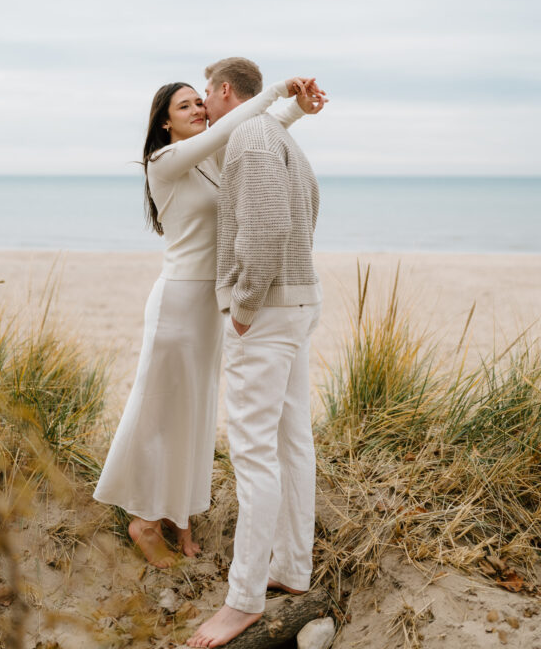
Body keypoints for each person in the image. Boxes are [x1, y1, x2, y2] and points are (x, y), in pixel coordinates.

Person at [93, 64, 326, 569]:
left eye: (199, 102)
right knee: (160, 412)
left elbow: (254, 133)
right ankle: (144, 520)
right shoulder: (166, 160)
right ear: (164, 124)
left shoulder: (211, 157)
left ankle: (180, 513)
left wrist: (297, 110)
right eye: (186, 106)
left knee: (196, 414)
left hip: (211, 305)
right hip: (178, 303)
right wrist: (276, 89)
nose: (199, 109)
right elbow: (230, 126)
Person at [188, 57, 324, 648]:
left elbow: (265, 228)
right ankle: (292, 569)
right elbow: (309, 208)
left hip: (266, 313)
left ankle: (242, 599)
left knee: (252, 453)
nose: (203, 110)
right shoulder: (275, 135)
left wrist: (243, 304)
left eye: (205, 97)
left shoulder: (247, 135)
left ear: (223, 92)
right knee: (293, 439)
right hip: (296, 301)